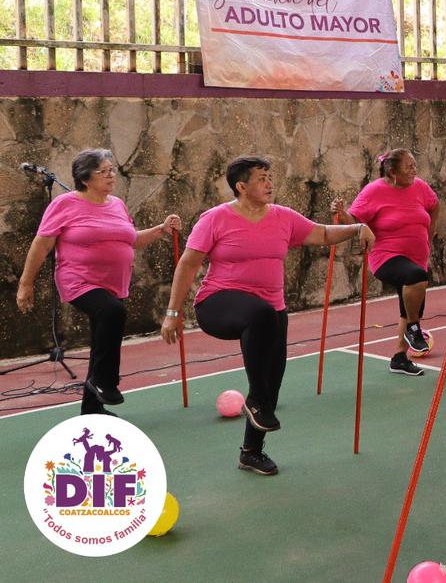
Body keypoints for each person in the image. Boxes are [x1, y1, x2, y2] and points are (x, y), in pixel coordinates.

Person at [161, 156, 373, 476]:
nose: (270, 184)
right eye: (261, 179)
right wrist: (172, 312)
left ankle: (251, 452)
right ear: (241, 186)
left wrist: (357, 227)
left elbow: (322, 234)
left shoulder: (283, 217)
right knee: (259, 314)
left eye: (270, 177)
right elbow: (189, 263)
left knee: (272, 378)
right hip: (218, 304)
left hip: (271, 313)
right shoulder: (215, 218)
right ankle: (257, 400)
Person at [16, 149, 180, 416]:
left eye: (111, 170)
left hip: (114, 283)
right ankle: (105, 381)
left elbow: (132, 240)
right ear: (85, 178)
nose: (111, 175)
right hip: (78, 280)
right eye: (103, 171)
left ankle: (92, 409)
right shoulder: (65, 204)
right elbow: (42, 243)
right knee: (113, 312)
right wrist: (26, 283)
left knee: (102, 339)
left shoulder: (117, 205)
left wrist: (161, 229)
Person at [331, 148, 438, 377]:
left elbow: (434, 205)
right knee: (415, 278)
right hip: (386, 257)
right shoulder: (374, 191)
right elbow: (354, 220)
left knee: (409, 307)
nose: (414, 170)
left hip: (418, 257)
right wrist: (341, 212)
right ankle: (413, 329)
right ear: (392, 172)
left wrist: (429, 237)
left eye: (414, 165)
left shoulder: (420, 187)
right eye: (409, 166)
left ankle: (399, 358)